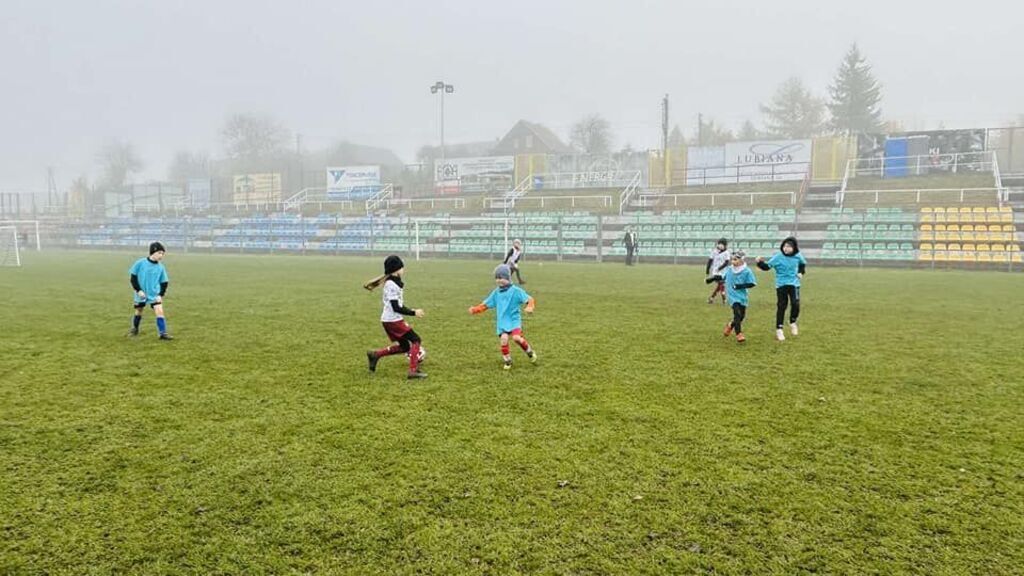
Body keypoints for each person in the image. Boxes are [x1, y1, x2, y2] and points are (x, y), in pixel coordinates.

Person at [364, 255, 428, 379]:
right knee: (416, 340)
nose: (403, 269)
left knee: (405, 347)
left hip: (390, 320)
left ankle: (375, 355)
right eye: (402, 267)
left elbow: (397, 305)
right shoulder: (391, 285)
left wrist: (411, 310)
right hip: (393, 320)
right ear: (396, 269)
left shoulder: (393, 283)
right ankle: (413, 371)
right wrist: (414, 312)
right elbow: (396, 307)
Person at [469, 264, 537, 370]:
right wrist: (475, 309)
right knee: (504, 339)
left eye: (501, 278)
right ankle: (507, 361)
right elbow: (486, 304)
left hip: (514, 320)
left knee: (516, 338)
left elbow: (529, 299)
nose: (499, 280)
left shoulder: (516, 291)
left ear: (508, 278)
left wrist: (530, 307)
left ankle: (529, 352)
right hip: (502, 321)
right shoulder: (496, 292)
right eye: (497, 278)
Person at [756, 236, 807, 342]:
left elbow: (802, 264)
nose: (786, 248)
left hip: (794, 284)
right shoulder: (778, 257)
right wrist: (759, 262)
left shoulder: (798, 256)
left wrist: (801, 272)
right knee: (782, 306)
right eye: (784, 246)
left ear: (794, 248)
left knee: (796, 304)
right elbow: (767, 267)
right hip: (781, 285)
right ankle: (779, 330)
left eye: (789, 247)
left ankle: (792, 322)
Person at [128, 241, 172, 340]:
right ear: (153, 252)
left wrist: (160, 295)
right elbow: (133, 278)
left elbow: (164, 282)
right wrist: (138, 290)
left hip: (154, 294)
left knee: (159, 311)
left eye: (163, 253)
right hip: (141, 294)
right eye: (159, 253)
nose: (161, 256)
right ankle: (135, 328)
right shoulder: (140, 263)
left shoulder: (161, 267)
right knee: (139, 311)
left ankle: (163, 333)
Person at [721, 250, 757, 343]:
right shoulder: (730, 269)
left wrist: (740, 286)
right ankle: (739, 334)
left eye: (735, 259)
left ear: (741, 260)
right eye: (732, 259)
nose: (733, 261)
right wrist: (712, 279)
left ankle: (730, 325)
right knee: (737, 314)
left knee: (741, 316)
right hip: (732, 296)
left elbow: (752, 283)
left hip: (742, 296)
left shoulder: (747, 271)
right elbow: (722, 278)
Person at [705, 238, 730, 304]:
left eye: (722, 244)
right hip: (715, 271)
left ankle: (712, 298)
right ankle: (719, 299)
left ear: (725, 245)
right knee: (721, 284)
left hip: (724, 271)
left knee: (720, 284)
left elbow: (727, 262)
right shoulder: (714, 251)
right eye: (719, 244)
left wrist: (720, 268)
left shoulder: (727, 253)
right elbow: (710, 261)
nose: (720, 246)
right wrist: (707, 270)